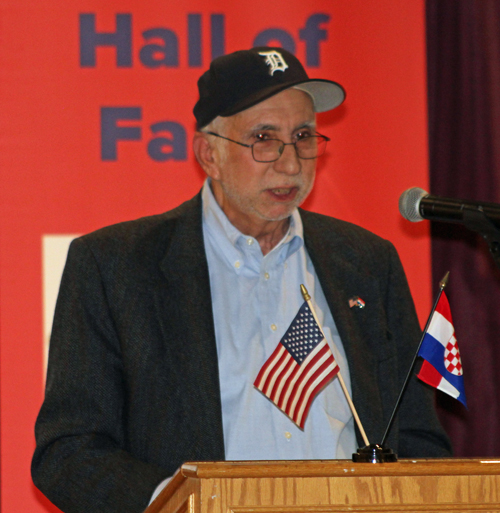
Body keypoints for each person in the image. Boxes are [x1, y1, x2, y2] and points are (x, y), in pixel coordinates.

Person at [32, 47, 451, 513]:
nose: (291, 164)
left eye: (304, 136)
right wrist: (173, 504)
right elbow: (68, 452)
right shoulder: (115, 266)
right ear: (208, 153)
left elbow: (417, 437)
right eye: (264, 138)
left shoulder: (368, 262)